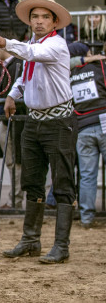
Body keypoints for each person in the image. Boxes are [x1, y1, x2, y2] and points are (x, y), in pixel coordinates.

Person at [0, 0, 76, 264]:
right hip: (35, 120)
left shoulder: (56, 45)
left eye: (44, 17)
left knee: (62, 184)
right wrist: (12, 95)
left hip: (58, 122)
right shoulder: (34, 43)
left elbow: (31, 55)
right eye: (35, 16)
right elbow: (26, 74)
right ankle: (31, 240)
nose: (38, 21)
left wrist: (4, 43)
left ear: (54, 21)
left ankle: (61, 245)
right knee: (32, 182)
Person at [68, 42, 106, 229]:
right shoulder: (100, 66)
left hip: (82, 127)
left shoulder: (68, 73)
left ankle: (86, 218)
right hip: (104, 122)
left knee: (87, 175)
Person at [0, 37, 28, 209]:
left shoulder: (17, 64)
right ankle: (14, 198)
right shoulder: (7, 66)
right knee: (11, 161)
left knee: (15, 161)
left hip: (14, 120)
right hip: (5, 119)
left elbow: (8, 92)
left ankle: (15, 200)